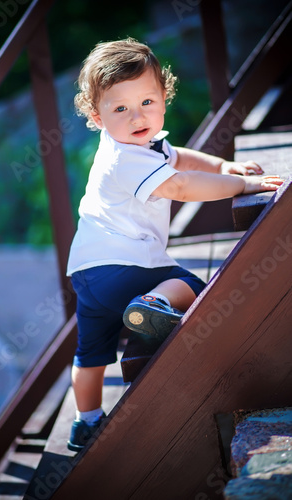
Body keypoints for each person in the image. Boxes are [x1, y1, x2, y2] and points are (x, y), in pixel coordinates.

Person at [66, 37, 284, 451]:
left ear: (163, 94)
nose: (137, 117)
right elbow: (180, 184)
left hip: (88, 274)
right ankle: (154, 304)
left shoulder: (138, 145)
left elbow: (179, 158)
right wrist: (242, 183)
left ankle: (85, 423)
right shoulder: (125, 159)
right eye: (121, 109)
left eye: (146, 102)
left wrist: (222, 165)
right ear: (97, 115)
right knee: (192, 287)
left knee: (91, 353)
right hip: (127, 265)